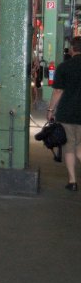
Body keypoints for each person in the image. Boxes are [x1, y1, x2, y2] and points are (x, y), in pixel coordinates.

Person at [47, 36, 81, 190]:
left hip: (67, 114)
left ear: (72, 49)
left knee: (70, 148)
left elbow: (58, 91)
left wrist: (50, 110)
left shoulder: (64, 67)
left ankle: (72, 182)